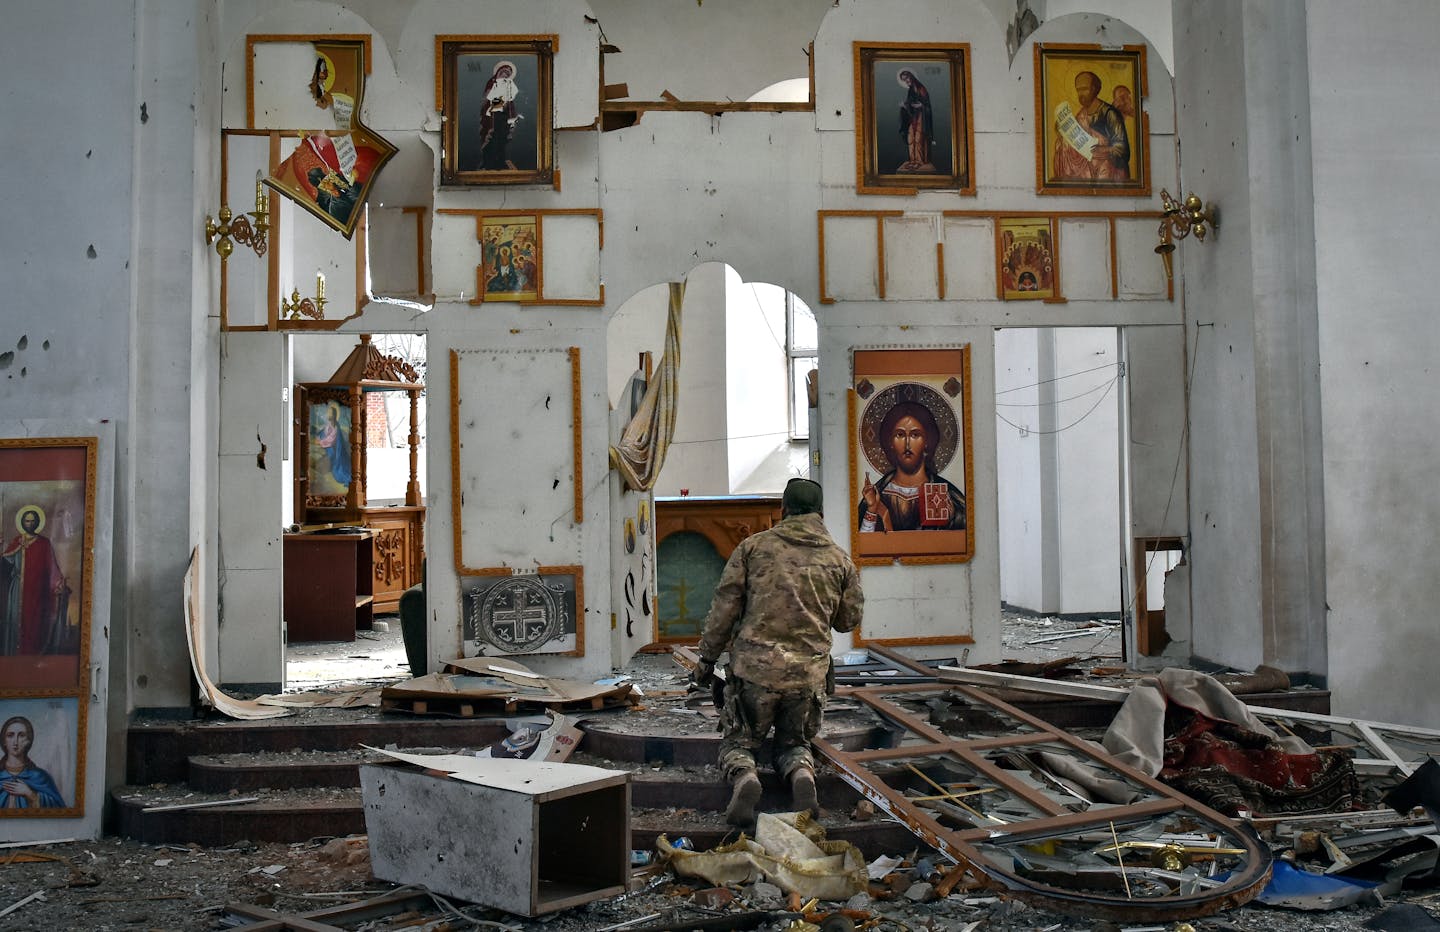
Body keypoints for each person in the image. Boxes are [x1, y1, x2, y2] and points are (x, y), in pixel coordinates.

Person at [691, 478, 865, 826]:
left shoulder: (753, 548)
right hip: (807, 677)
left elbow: (724, 608)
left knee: (739, 742)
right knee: (794, 743)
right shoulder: (839, 560)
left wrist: (706, 659)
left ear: (783, 509)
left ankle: (745, 777)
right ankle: (801, 774)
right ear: (820, 513)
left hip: (754, 674)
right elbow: (849, 621)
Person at [858, 401, 966, 532]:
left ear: (927, 441)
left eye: (915, 435)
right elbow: (863, 545)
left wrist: (950, 520)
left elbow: (959, 544)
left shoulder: (949, 497)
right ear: (890, 442)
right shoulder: (876, 496)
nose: (907, 443)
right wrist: (872, 509)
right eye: (900, 435)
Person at [0, 507, 68, 656]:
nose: (29, 524)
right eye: (26, 521)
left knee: (34, 626)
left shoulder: (44, 543)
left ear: (37, 522)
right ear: (22, 522)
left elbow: (53, 569)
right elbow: (4, 567)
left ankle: (33, 658)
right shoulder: (17, 542)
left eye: (32, 521)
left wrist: (59, 584)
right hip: (17, 592)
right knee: (15, 624)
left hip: (37, 594)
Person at [1052, 70, 1130, 182]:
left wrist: (1103, 150)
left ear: (1094, 89)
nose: (1081, 94)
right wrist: (1063, 135)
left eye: (1084, 89)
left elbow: (1123, 150)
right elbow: (1076, 143)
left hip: (1109, 174)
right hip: (1088, 174)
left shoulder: (1110, 114)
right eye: (1078, 90)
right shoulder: (1081, 115)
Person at [0, 716, 65, 809]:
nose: (15, 741)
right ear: (4, 741)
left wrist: (30, 794)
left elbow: (60, 809)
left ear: (28, 741)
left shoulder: (40, 776)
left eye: (21, 735)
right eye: (10, 735)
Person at [479, 61, 522, 170]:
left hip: (503, 117)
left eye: (507, 74)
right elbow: (488, 101)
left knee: (502, 139)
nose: (505, 75)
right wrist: (498, 102)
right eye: (503, 72)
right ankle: (489, 162)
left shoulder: (509, 86)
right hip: (492, 117)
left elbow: (511, 102)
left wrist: (511, 114)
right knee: (492, 139)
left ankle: (499, 162)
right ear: (498, 72)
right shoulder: (492, 84)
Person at [896, 69, 934, 173]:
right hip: (913, 117)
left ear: (911, 77)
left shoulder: (921, 89)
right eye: (904, 80)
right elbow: (910, 103)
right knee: (910, 138)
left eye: (907, 78)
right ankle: (912, 160)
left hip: (921, 117)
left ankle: (919, 161)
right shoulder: (910, 90)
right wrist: (904, 105)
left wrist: (921, 105)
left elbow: (927, 105)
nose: (906, 81)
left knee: (918, 138)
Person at [313, 402, 352, 487]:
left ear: (334, 415)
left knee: (338, 468)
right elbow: (325, 432)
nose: (329, 416)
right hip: (330, 445)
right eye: (329, 414)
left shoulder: (336, 427)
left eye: (331, 414)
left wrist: (322, 441)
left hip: (335, 447)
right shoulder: (329, 425)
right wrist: (320, 436)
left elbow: (332, 438)